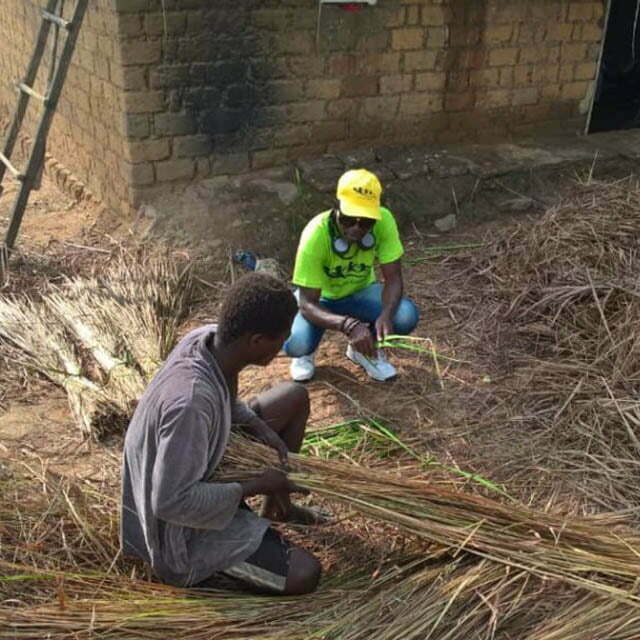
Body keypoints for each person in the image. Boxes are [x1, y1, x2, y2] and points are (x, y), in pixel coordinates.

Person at [121, 273, 321, 595]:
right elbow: (170, 503)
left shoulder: (210, 340)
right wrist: (257, 484)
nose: (284, 346)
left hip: (203, 460)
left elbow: (225, 398)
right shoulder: (190, 405)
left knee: (293, 397)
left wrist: (259, 427)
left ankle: (278, 508)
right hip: (179, 533)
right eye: (281, 338)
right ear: (256, 341)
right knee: (304, 574)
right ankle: (217, 562)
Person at [284, 169, 419, 382]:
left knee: (404, 316)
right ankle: (305, 354)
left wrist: (385, 314)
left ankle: (364, 350)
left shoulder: (384, 221)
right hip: (319, 300)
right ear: (336, 207)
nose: (356, 228)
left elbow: (393, 279)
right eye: (348, 219)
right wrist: (349, 325)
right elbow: (307, 303)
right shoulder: (315, 234)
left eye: (366, 221)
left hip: (360, 292)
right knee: (297, 344)